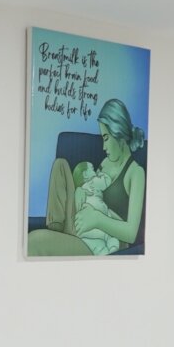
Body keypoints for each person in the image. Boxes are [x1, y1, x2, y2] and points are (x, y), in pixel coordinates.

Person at [27, 98, 146, 256]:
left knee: (34, 241)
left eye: (106, 138)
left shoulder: (136, 173)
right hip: (82, 227)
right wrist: (79, 191)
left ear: (118, 133)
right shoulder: (106, 163)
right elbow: (91, 188)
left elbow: (131, 233)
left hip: (103, 243)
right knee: (60, 165)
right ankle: (57, 229)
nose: (104, 147)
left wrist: (97, 219)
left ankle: (58, 236)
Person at [72, 161, 122, 256]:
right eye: (92, 169)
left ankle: (102, 251)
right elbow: (106, 182)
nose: (95, 171)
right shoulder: (93, 181)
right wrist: (101, 174)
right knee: (110, 236)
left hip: (85, 227)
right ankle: (113, 248)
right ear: (85, 174)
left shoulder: (80, 190)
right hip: (97, 214)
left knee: (93, 243)